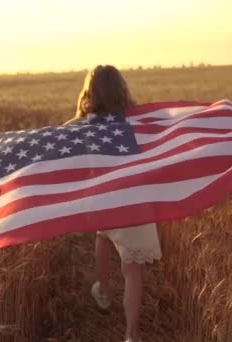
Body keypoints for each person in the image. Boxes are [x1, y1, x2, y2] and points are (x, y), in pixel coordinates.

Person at [64, 65, 163, 342]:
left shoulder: (82, 125)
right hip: (136, 203)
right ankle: (131, 335)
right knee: (133, 272)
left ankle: (104, 290)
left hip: (105, 202)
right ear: (122, 90)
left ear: (90, 92)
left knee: (103, 234)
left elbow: (53, 139)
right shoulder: (139, 121)